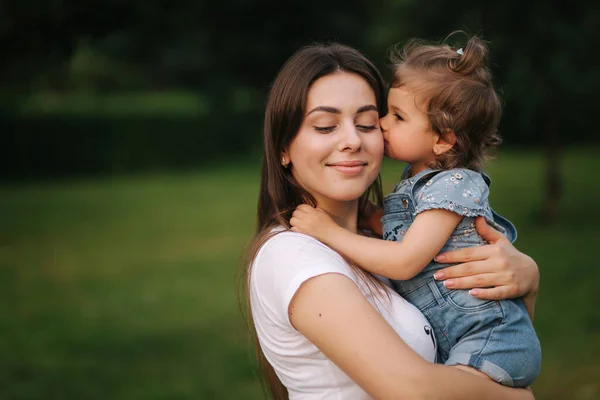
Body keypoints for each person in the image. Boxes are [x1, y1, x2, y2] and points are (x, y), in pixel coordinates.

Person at [241, 42, 539, 399]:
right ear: (283, 148)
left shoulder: (378, 243)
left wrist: (528, 281)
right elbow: (412, 390)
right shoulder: (294, 255)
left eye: (367, 123)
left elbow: (486, 339)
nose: (353, 140)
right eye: (324, 126)